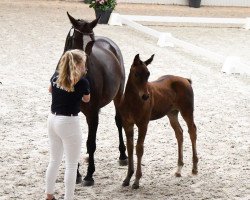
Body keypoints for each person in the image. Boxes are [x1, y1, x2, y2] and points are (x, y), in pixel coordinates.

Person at [45, 49, 90, 200]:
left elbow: (50, 89)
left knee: (54, 160)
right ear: (77, 64)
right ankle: (68, 197)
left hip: (52, 119)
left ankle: (49, 195)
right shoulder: (83, 82)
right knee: (71, 164)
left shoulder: (56, 75)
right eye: (83, 64)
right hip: (69, 122)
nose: (85, 66)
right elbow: (87, 100)